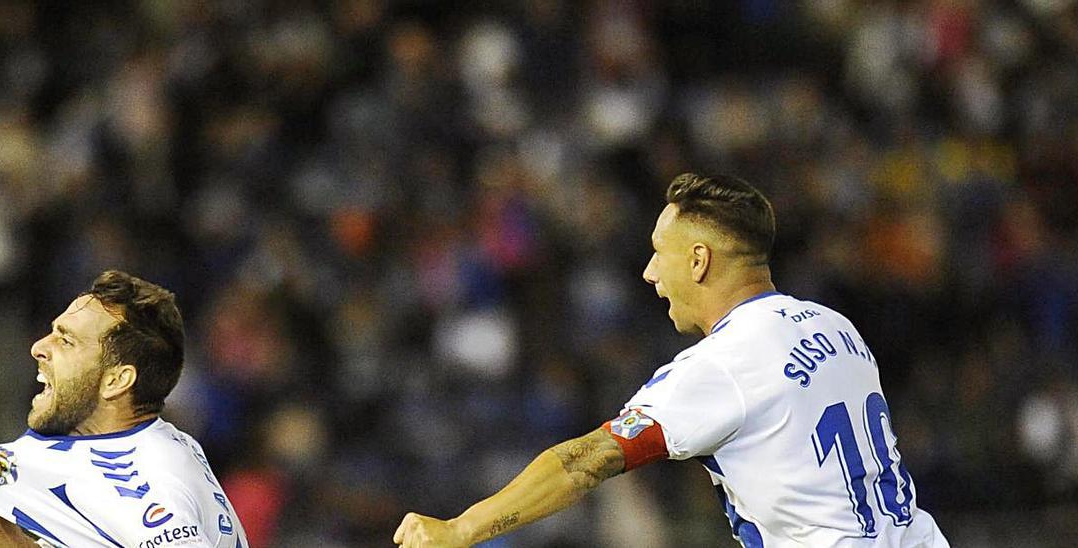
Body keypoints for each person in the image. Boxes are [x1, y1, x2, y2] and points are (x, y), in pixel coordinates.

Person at [394, 173, 948, 547]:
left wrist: (461, 530)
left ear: (700, 260)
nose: (650, 273)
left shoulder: (722, 365)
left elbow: (584, 462)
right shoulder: (835, 326)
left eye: (660, 252)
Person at [0, 270, 249, 547]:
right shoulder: (126, 450)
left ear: (117, 380)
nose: (39, 347)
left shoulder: (148, 484)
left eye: (66, 341)